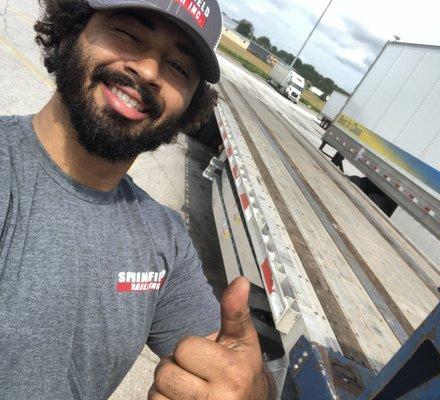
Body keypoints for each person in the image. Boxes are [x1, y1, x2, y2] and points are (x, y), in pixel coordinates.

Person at [0, 0, 273, 399]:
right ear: (72, 26)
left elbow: (231, 362)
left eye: (178, 67)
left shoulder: (165, 242)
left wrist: (248, 388)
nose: (147, 71)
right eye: (128, 34)